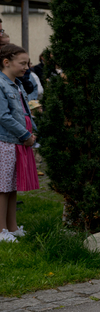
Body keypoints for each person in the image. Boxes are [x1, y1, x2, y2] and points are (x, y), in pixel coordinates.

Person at [0, 45, 36, 241]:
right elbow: (3, 116)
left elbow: (23, 112)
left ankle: (12, 227)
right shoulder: (0, 84)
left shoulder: (17, 84)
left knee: (12, 185)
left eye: (27, 63)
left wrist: (32, 132)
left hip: (17, 141)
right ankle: (1, 231)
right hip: (5, 142)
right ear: (6, 62)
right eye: (22, 63)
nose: (27, 67)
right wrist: (25, 135)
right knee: (2, 187)